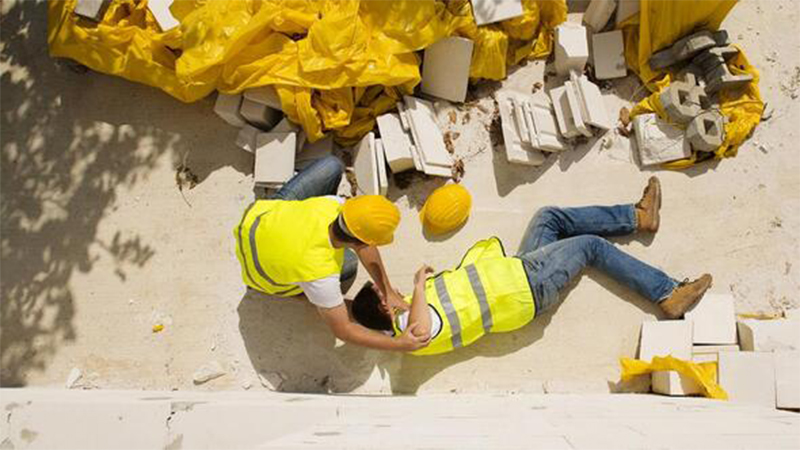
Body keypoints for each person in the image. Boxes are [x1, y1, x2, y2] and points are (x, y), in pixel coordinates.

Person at [350, 177, 713, 355]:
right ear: (385, 306)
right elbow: (423, 330)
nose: (389, 287)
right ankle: (667, 293)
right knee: (590, 247)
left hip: (516, 272)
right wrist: (415, 287)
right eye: (383, 291)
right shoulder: (411, 331)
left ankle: (637, 217)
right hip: (526, 289)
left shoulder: (403, 318)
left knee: (548, 218)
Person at [234, 155, 429, 352]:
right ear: (359, 242)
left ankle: (319, 293)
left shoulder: (331, 205)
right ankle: (306, 296)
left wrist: (387, 291)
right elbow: (343, 330)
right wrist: (398, 344)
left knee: (332, 166)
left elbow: (363, 241)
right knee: (349, 265)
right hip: (261, 275)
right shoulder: (321, 273)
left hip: (258, 220)